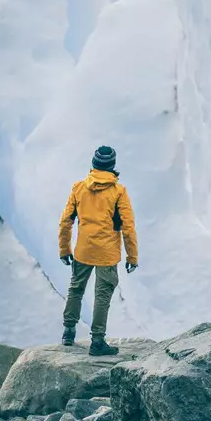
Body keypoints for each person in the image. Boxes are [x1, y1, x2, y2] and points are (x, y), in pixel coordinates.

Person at [57, 145, 138, 354]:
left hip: (83, 249)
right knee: (102, 296)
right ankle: (97, 342)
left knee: (76, 288)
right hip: (107, 253)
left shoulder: (79, 188)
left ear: (93, 165)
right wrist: (132, 256)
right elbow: (128, 227)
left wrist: (64, 249)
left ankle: (68, 332)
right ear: (112, 166)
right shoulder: (119, 192)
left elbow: (66, 221)